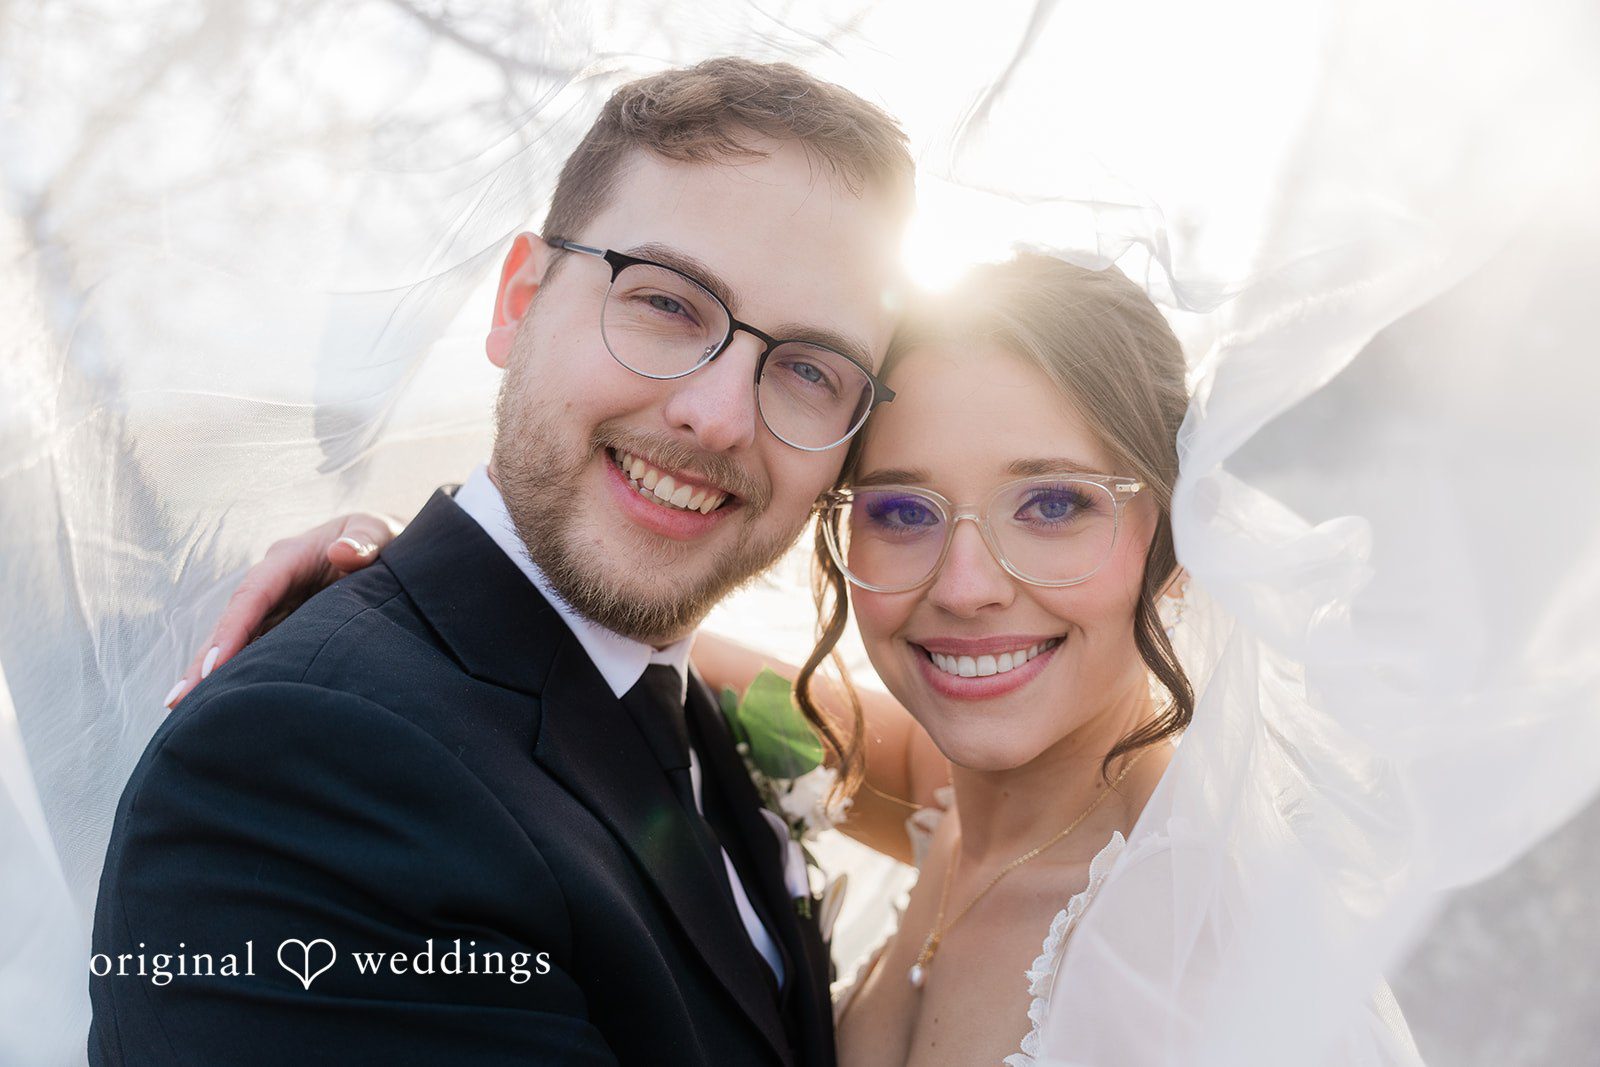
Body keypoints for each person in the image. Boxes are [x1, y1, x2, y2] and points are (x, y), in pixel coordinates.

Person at [189, 252, 1227, 1064]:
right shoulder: (949, 795)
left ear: (1183, 537)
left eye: (1054, 504)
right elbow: (620, 649)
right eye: (900, 508)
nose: (963, 584)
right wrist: (404, 581)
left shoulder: (1208, 940)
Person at [89, 57, 917, 1067]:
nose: (719, 414)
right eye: (666, 303)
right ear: (519, 298)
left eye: (808, 369)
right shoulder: (304, 771)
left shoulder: (670, 705)